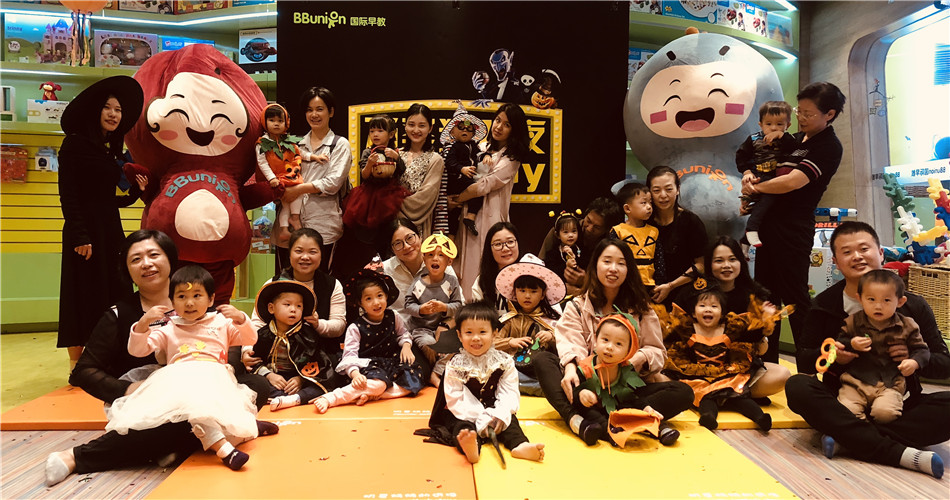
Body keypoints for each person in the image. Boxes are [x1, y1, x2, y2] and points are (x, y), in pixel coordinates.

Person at [785, 222, 949, 479]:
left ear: (881, 253)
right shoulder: (824, 306)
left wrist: (914, 358)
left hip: (898, 402)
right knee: (797, 386)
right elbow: (805, 361)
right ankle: (897, 451)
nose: (857, 256)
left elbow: (944, 363)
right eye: (847, 252)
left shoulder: (912, 305)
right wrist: (833, 357)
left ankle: (848, 440)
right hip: (844, 402)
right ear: (836, 262)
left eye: (864, 248)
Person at [533, 239, 694, 446]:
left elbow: (657, 352)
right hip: (587, 387)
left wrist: (637, 358)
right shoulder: (578, 306)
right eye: (607, 261)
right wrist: (571, 368)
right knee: (543, 360)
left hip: (628, 390)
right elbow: (570, 342)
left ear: (629, 270)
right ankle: (582, 419)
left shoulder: (642, 308)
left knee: (684, 392)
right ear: (595, 266)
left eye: (621, 263)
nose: (613, 269)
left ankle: (601, 422)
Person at [105, 266, 261, 471]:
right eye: (181, 296)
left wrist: (240, 318)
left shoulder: (221, 323)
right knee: (193, 406)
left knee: (213, 407)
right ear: (172, 301)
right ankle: (225, 449)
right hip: (178, 381)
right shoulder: (168, 328)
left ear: (211, 299)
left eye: (197, 295)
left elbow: (250, 338)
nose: (189, 302)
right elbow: (138, 350)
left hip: (214, 379)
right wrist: (142, 324)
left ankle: (243, 430)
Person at [741, 82, 846, 366]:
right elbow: (763, 166)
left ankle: (808, 368)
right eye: (800, 110)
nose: (801, 117)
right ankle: (767, 364)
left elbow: (791, 182)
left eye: (809, 114)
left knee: (795, 299)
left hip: (793, 228)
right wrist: (749, 188)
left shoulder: (828, 146)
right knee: (766, 297)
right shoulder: (795, 139)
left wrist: (756, 189)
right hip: (767, 224)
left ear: (830, 114)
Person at [57, 75, 145, 369]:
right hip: (84, 234)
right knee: (82, 294)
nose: (113, 114)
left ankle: (110, 356)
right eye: (107, 108)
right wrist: (80, 236)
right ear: (95, 111)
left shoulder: (108, 150)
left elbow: (106, 200)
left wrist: (135, 192)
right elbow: (69, 195)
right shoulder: (73, 145)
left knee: (114, 291)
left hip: (110, 232)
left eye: (118, 110)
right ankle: (76, 364)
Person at [415, 303, 545, 464]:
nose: (475, 338)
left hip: (494, 408)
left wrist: (498, 415)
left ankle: (520, 445)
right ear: (459, 335)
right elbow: (456, 398)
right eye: (469, 332)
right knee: (462, 428)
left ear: (495, 334)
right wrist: (482, 418)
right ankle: (472, 447)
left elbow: (509, 392)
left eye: (483, 332)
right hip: (463, 411)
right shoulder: (455, 364)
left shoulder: (504, 362)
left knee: (510, 422)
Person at [662, 283, 774, 432]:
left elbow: (752, 335)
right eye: (702, 305)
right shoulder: (688, 329)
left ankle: (760, 417)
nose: (708, 309)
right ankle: (708, 417)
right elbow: (668, 337)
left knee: (741, 397)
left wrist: (765, 319)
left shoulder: (730, 328)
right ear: (694, 313)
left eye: (714, 306)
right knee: (706, 398)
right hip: (699, 378)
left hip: (725, 375)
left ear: (722, 313)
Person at [686, 236, 790, 390]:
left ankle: (722, 393)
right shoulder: (695, 293)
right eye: (719, 261)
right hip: (698, 368)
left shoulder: (754, 296)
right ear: (709, 264)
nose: (726, 265)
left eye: (732, 259)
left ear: (741, 262)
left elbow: (758, 347)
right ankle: (727, 394)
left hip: (738, 368)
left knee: (782, 374)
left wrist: (764, 322)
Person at [314, 269, 424, 412]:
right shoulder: (355, 328)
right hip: (369, 366)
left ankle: (375, 395)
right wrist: (356, 374)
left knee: (414, 381)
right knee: (379, 384)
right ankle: (332, 398)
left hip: (391, 362)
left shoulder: (394, 316)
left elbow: (403, 334)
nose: (376, 303)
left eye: (379, 296)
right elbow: (349, 356)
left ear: (386, 296)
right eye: (368, 299)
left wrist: (406, 346)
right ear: (360, 303)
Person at [245, 228, 347, 379]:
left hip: (316, 356)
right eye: (299, 251)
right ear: (290, 253)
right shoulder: (273, 284)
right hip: (274, 356)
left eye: (312, 252)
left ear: (321, 255)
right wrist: (247, 350)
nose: (305, 257)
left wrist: (318, 324)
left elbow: (339, 325)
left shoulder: (332, 285)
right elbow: (257, 323)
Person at [455, 103, 529, 297]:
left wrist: (456, 198)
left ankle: (486, 308)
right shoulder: (480, 147)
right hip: (467, 215)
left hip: (490, 219)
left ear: (515, 130)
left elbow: (484, 185)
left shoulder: (511, 158)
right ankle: (465, 308)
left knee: (485, 265)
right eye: (497, 120)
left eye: (507, 124)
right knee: (463, 264)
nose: (498, 127)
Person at [835, 270, 930, 424]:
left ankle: (872, 430)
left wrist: (914, 362)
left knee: (885, 413)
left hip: (890, 383)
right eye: (871, 299)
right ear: (860, 299)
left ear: (900, 302)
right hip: (856, 382)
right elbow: (840, 342)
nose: (878, 306)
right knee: (846, 410)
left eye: (886, 300)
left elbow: (922, 350)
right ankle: (862, 431)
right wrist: (851, 344)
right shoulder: (852, 322)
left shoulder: (907, 325)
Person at [280, 87, 352, 274]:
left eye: (320, 109)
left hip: (324, 225)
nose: (314, 115)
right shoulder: (295, 145)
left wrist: (298, 190)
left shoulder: (339, 144)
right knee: (291, 280)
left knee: (321, 279)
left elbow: (333, 183)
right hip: (290, 225)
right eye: (309, 110)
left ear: (331, 112)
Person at [571, 313, 662, 446]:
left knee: (635, 408)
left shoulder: (626, 369)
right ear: (596, 340)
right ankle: (608, 431)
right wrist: (581, 393)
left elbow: (633, 396)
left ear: (629, 351)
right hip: (593, 409)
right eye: (605, 340)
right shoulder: (585, 367)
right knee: (588, 411)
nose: (609, 347)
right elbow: (572, 392)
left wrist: (646, 408)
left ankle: (660, 428)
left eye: (618, 344)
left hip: (617, 409)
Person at [251, 280, 339, 411]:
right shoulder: (263, 334)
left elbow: (318, 363)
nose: (293, 309)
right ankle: (291, 398)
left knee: (323, 384)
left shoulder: (308, 335)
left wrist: (300, 380)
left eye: (299, 306)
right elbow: (255, 361)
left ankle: (296, 398)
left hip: (300, 378)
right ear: (271, 308)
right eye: (287, 304)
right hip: (273, 378)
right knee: (255, 385)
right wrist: (269, 375)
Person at [493, 253, 564, 395]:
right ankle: (536, 388)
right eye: (522, 290)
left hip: (537, 372)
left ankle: (529, 386)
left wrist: (551, 337)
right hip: (513, 368)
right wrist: (510, 342)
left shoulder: (551, 321)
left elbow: (565, 344)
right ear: (515, 292)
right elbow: (492, 344)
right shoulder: (509, 320)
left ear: (542, 294)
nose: (527, 296)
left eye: (533, 291)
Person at [256, 103, 327, 245]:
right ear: (264, 122)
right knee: (288, 201)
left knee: (290, 202)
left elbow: (300, 153)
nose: (276, 124)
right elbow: (262, 163)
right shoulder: (262, 143)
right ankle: (294, 219)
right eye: (272, 120)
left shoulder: (288, 141)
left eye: (280, 120)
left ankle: (285, 228)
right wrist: (272, 178)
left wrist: (314, 157)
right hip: (278, 180)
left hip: (292, 175)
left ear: (286, 122)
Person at [735, 101, 799, 248]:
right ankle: (751, 230)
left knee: (768, 207)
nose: (773, 128)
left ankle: (746, 240)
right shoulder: (753, 139)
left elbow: (795, 148)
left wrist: (782, 136)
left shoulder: (789, 140)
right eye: (768, 124)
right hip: (759, 178)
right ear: (760, 124)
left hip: (778, 179)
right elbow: (741, 156)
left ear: (788, 125)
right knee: (759, 203)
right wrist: (747, 172)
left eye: (779, 124)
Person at [405, 233, 464, 385]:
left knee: (455, 346)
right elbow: (408, 305)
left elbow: (458, 305)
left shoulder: (451, 282)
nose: (435, 259)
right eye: (430, 255)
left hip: (444, 329)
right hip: (421, 329)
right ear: (424, 259)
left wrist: (444, 307)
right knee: (430, 345)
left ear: (449, 261)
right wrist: (421, 309)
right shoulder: (418, 283)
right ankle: (433, 372)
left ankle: (437, 373)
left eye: (441, 255)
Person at [646, 165, 707, 308]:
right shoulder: (643, 221)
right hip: (647, 296)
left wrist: (671, 286)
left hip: (684, 296)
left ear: (677, 189)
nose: (663, 195)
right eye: (656, 190)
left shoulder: (691, 221)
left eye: (668, 189)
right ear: (649, 192)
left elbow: (701, 265)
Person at [539, 197, 623, 295]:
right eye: (588, 221)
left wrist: (586, 281)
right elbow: (540, 267)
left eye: (597, 227)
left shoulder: (610, 244)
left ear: (607, 229)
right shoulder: (562, 228)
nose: (589, 228)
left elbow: (614, 280)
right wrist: (561, 287)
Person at [381, 218, 459, 325]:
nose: (407, 246)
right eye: (398, 243)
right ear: (392, 249)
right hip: (398, 330)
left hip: (438, 328)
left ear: (420, 236)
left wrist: (446, 326)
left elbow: (460, 305)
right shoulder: (384, 271)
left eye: (410, 238)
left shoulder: (440, 265)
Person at [345, 114, 410, 238]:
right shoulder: (368, 152)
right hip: (370, 193)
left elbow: (401, 171)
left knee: (390, 224)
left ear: (391, 134)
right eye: (372, 131)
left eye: (380, 131)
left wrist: (397, 157)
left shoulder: (394, 152)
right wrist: (369, 163)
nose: (375, 134)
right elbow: (364, 175)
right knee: (371, 225)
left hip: (390, 193)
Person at [441, 100, 489, 236]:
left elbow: (479, 154)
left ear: (473, 133)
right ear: (452, 132)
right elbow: (449, 162)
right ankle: (450, 237)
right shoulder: (453, 147)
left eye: (469, 129)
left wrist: (486, 155)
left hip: (468, 180)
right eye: (461, 127)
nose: (465, 130)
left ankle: (470, 217)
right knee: (453, 214)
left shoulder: (473, 145)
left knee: (478, 193)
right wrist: (461, 169)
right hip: (456, 181)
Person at [398, 104, 445, 237]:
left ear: (430, 128)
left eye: (422, 125)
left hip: (420, 223)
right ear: (405, 126)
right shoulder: (396, 154)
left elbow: (426, 197)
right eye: (411, 124)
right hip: (392, 222)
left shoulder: (435, 159)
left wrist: (393, 202)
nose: (416, 130)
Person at [610, 182, 663, 291]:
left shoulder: (654, 232)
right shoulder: (618, 231)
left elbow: (659, 261)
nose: (649, 207)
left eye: (650, 202)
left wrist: (660, 283)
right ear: (627, 208)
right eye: (643, 203)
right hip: (625, 285)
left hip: (649, 285)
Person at [471, 221, 522, 312]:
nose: (505, 248)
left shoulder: (531, 275)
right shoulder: (482, 282)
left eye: (510, 242)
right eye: (498, 244)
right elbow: (478, 316)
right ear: (489, 249)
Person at [543, 210, 583, 285]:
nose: (570, 235)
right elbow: (550, 272)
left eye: (574, 231)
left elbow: (586, 267)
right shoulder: (553, 253)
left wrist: (574, 257)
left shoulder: (582, 250)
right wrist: (566, 265)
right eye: (565, 232)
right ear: (557, 235)